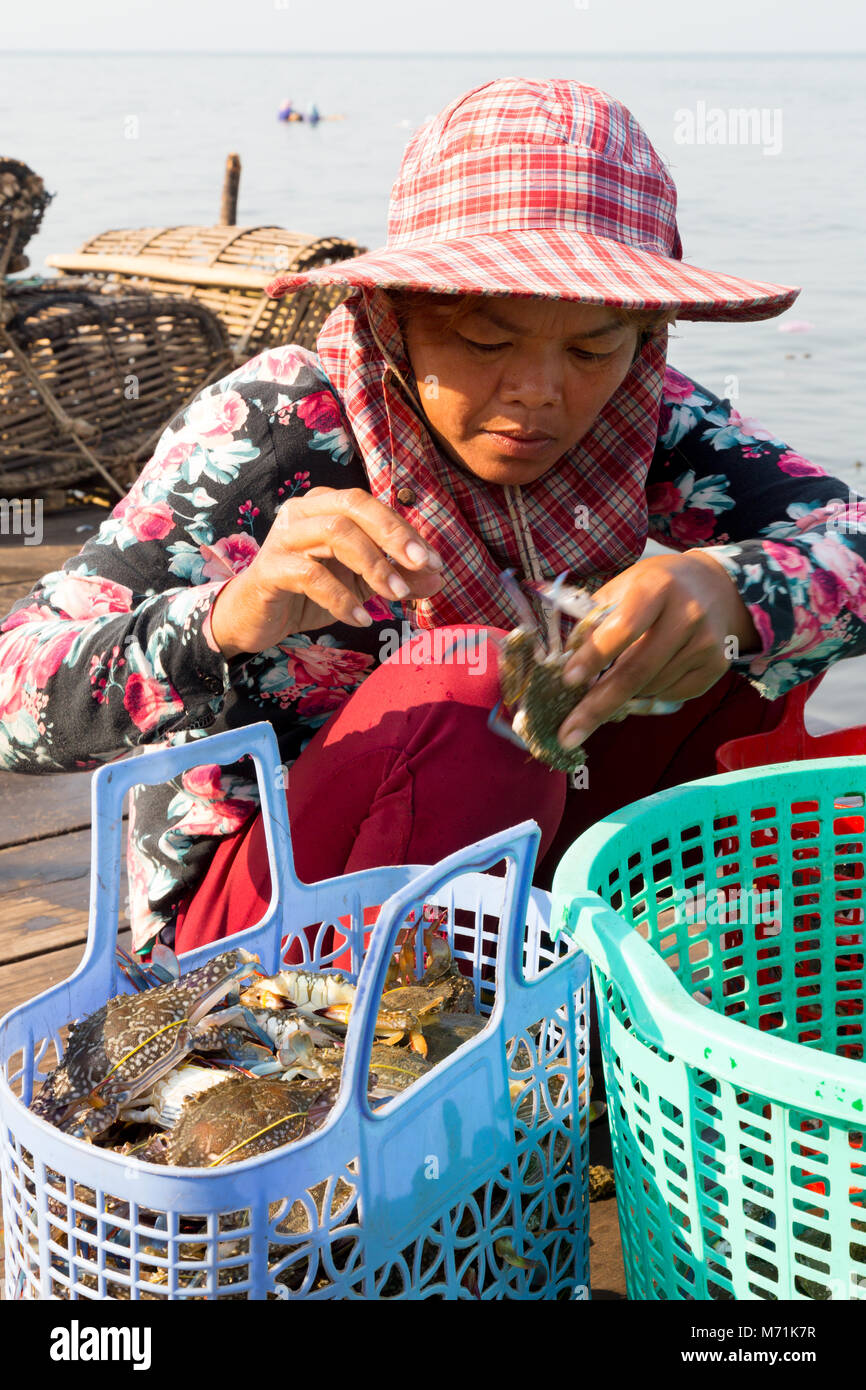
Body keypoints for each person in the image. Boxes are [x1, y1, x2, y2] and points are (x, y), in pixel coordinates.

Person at [2, 77, 864, 960]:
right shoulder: (272, 429)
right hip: (258, 922)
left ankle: (624, 966)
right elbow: (12, 696)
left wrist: (730, 591)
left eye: (591, 346)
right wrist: (229, 616)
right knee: (473, 677)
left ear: (646, 337)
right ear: (398, 318)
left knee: (742, 629)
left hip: (512, 845)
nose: (539, 393)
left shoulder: (646, 414)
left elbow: (848, 537)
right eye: (486, 341)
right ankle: (391, 1043)